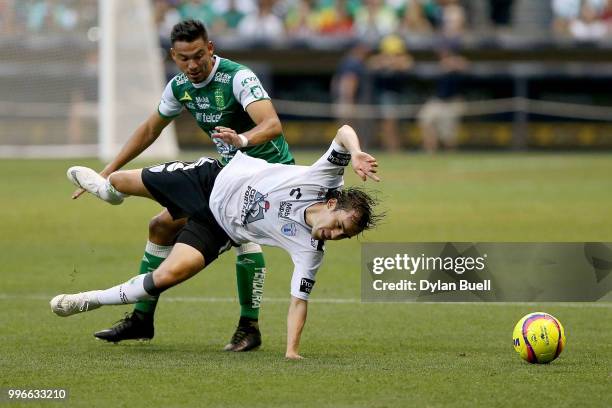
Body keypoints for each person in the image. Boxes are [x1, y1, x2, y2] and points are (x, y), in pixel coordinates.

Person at [52, 124, 381, 360]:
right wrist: (355, 153)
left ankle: (86, 300)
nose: (335, 235)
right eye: (339, 226)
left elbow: (299, 301)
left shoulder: (310, 251)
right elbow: (344, 130)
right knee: (118, 182)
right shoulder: (325, 178)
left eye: (344, 236)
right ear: (332, 204)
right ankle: (109, 194)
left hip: (220, 227)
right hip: (209, 181)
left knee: (169, 276)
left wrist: (292, 350)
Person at [70, 19, 294, 351]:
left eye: (199, 56)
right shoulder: (179, 86)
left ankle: (249, 327)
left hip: (268, 175)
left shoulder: (237, 77)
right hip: (227, 176)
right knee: (160, 226)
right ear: (174, 56)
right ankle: (141, 319)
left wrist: (243, 139)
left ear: (210, 50)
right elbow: (150, 130)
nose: (192, 65)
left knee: (244, 239)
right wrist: (108, 169)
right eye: (184, 58)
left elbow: (272, 124)